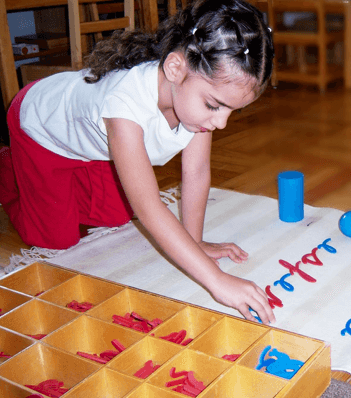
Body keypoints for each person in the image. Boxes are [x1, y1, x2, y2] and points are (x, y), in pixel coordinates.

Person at [0, 0, 276, 325]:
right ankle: (8, 167)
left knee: (116, 217)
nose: (222, 123)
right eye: (215, 105)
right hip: (40, 129)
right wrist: (217, 281)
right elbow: (149, 207)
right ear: (175, 68)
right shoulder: (124, 105)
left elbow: (196, 171)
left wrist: (195, 241)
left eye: (233, 110)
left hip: (96, 147)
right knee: (57, 239)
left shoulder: (197, 106)